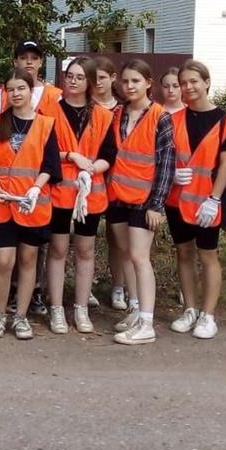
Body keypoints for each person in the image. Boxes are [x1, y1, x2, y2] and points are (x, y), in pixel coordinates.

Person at [0, 69, 61, 340]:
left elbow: (50, 165)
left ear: (30, 91)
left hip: (32, 204)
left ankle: (21, 317)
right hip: (2, 204)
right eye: (11, 90)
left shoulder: (46, 124)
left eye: (21, 89)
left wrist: (37, 188)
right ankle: (0, 314)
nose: (16, 94)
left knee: (28, 260)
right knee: (4, 261)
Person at [165, 60, 226, 340]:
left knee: (208, 255)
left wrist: (215, 199)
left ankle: (208, 315)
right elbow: (166, 156)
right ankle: (190, 308)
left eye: (193, 81)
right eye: (183, 82)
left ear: (207, 82)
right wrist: (171, 173)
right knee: (183, 253)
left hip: (208, 202)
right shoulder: (172, 120)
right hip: (178, 199)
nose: (188, 87)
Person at [106, 59, 175, 345]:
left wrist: (156, 204)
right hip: (118, 197)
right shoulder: (118, 114)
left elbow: (166, 163)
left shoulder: (161, 117)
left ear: (149, 83)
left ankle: (147, 322)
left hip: (144, 199)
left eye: (136, 81)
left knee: (139, 257)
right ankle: (136, 310)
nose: (129, 86)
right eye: (125, 81)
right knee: (125, 253)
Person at [46, 57, 115, 335]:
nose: (72, 81)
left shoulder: (103, 115)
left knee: (86, 251)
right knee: (59, 249)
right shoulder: (49, 110)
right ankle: (56, 309)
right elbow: (43, 150)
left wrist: (91, 169)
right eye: (69, 76)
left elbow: (109, 155)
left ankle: (81, 308)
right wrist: (71, 156)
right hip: (59, 192)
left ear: (89, 82)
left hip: (90, 194)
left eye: (79, 77)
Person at [93, 56, 131, 312]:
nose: (97, 83)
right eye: (93, 78)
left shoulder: (124, 109)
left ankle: (119, 286)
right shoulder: (82, 106)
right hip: (90, 180)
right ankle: (87, 287)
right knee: (87, 236)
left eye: (102, 78)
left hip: (119, 181)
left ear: (112, 78)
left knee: (118, 238)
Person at [0, 40, 62, 119]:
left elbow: (60, 128)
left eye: (34, 58)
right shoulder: (2, 95)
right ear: (15, 62)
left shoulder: (53, 96)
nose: (29, 62)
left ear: (41, 62)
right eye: (23, 58)